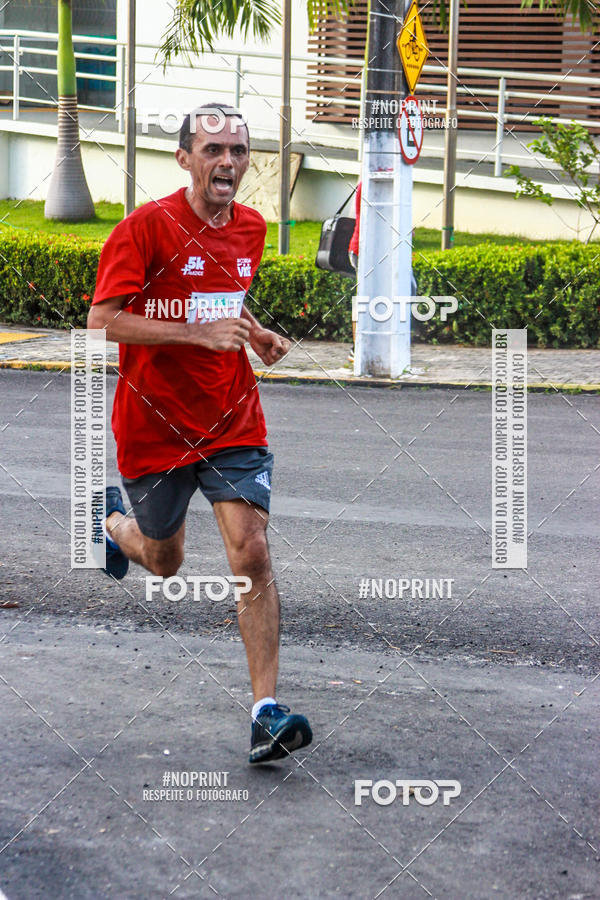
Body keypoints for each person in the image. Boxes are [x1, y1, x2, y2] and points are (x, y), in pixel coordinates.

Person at [87, 103, 312, 765]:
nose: (229, 163)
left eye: (239, 151)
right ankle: (113, 526)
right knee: (165, 560)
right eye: (214, 150)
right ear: (184, 157)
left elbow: (222, 293)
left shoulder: (251, 228)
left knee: (252, 552)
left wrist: (255, 330)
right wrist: (195, 335)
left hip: (231, 418)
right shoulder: (143, 230)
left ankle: (265, 713)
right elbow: (103, 320)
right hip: (153, 428)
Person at [347, 181, 361, 363]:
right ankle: (357, 347)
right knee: (364, 299)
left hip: (366, 248)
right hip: (362, 249)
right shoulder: (371, 184)